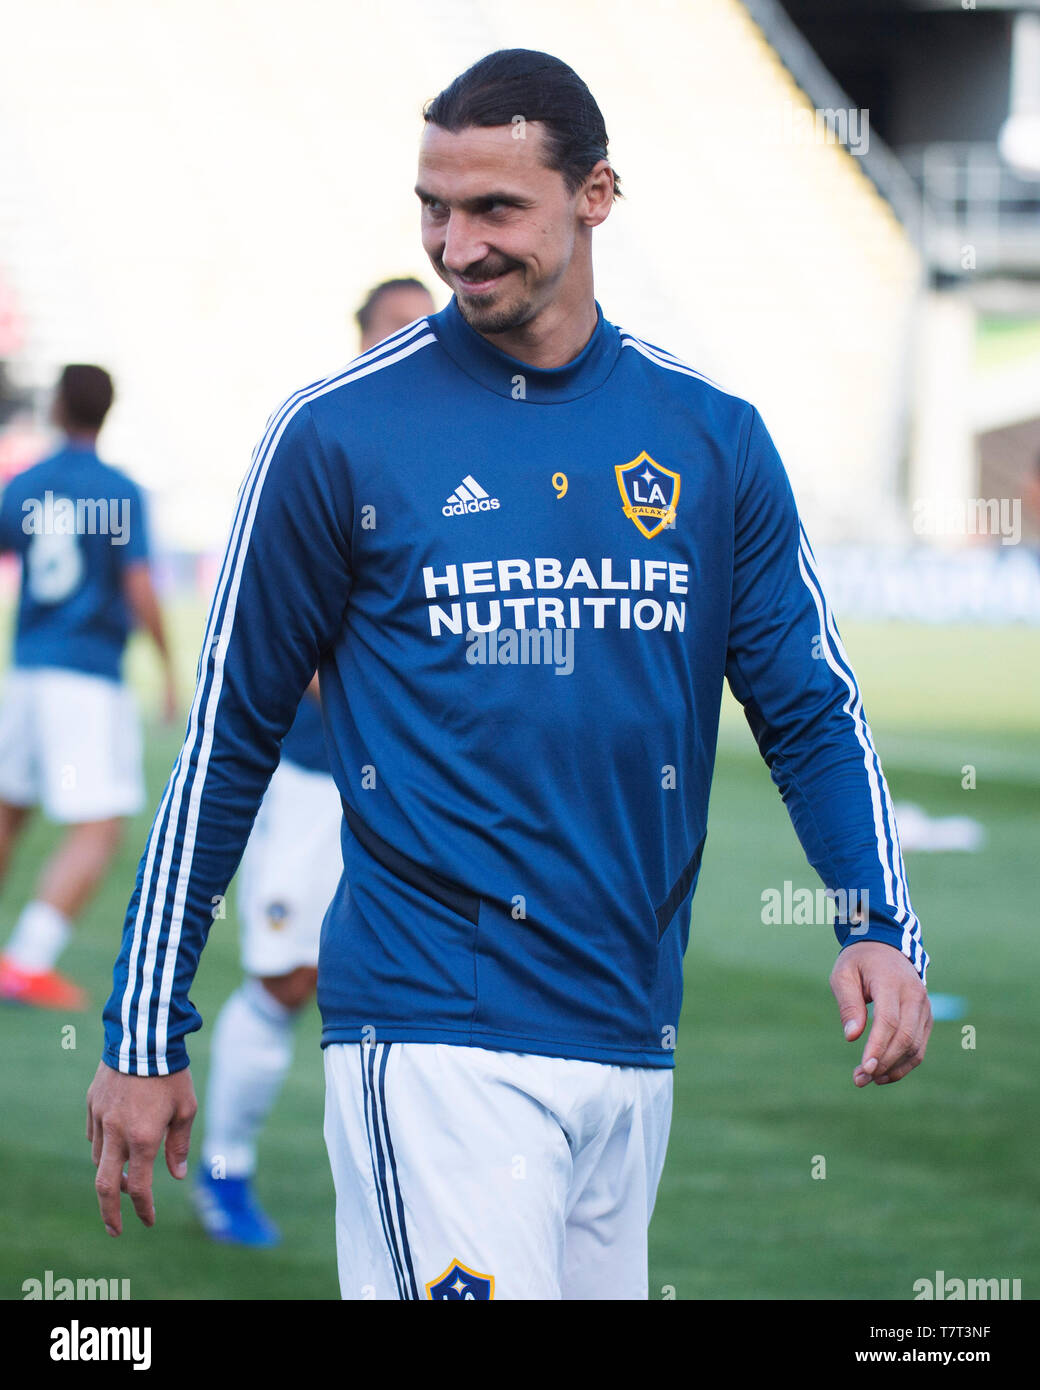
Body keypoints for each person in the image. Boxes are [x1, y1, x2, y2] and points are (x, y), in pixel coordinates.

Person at [87, 49, 932, 1301]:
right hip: (432, 1032)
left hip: (629, 1037)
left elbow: (807, 709)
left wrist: (874, 920)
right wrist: (145, 1026)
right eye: (433, 207)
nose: (456, 245)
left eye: (494, 208)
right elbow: (227, 740)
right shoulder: (335, 435)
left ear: (595, 194)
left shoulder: (711, 437)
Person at [194, 279, 435, 1247]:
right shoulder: (321, 448)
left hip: (424, 788)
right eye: (395, 330)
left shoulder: (458, 453)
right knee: (288, 980)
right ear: (360, 340)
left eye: (425, 327)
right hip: (312, 778)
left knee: (427, 988)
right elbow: (272, 641)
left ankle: (421, 1195)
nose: (415, 345)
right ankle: (224, 1170)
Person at [0, 364, 174, 1011]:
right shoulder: (119, 491)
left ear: (56, 406)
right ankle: (27, 960)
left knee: (9, 808)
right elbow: (138, 584)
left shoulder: (25, 484)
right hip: (87, 677)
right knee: (99, 825)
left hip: (26, 669)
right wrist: (166, 666)